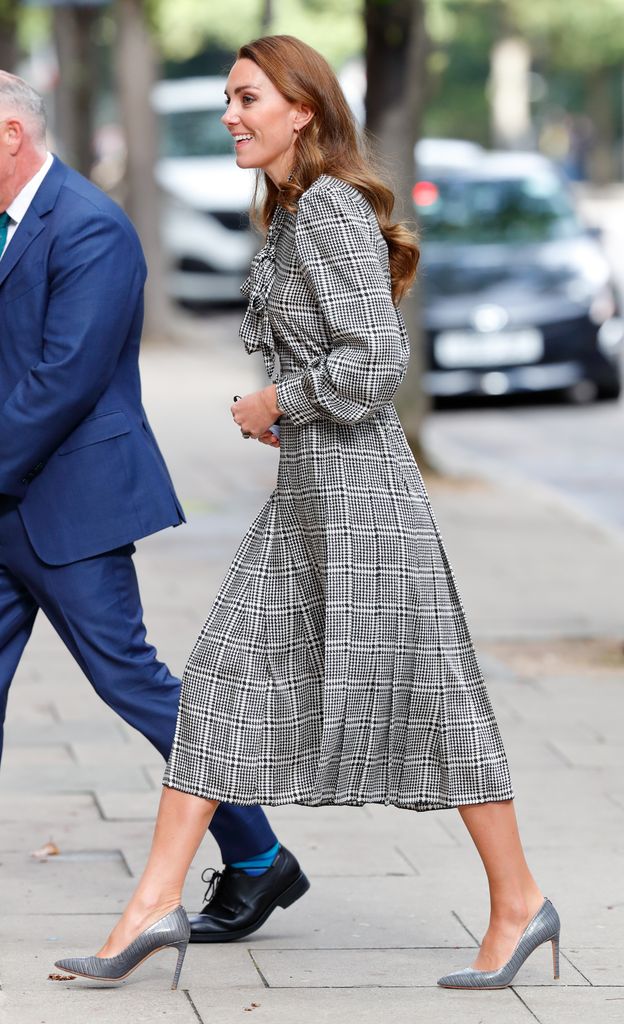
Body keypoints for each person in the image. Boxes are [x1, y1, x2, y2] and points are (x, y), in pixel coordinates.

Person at [55, 35, 560, 991]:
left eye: (248, 98)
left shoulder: (327, 209)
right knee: (220, 683)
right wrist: (293, 412)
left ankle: (519, 902)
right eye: (229, 98)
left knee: (436, 698)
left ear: (304, 112)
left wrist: (277, 401)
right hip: (308, 501)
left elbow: (377, 361)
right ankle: (152, 904)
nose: (230, 114)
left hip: (364, 508)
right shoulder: (291, 211)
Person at [0, 70, 309, 944]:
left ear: (11, 136)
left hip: (71, 507)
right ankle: (259, 856)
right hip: (9, 498)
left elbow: (64, 379)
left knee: (131, 681)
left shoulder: (91, 227)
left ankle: (258, 855)